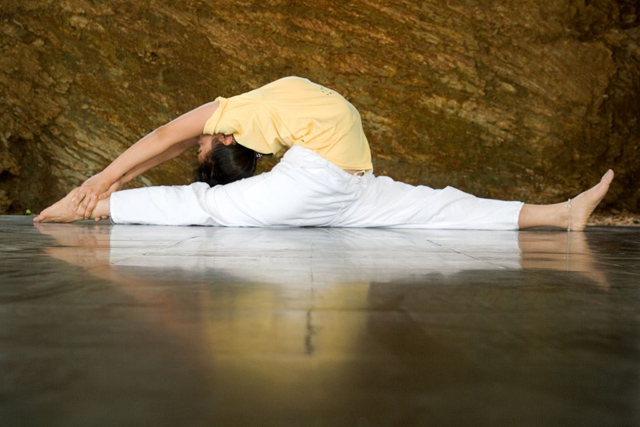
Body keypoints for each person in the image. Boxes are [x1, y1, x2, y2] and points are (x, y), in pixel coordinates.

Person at [33, 76, 614, 230]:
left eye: (204, 142)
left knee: (206, 206)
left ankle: (86, 209)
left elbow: (165, 140)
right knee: (440, 208)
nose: (198, 140)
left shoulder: (236, 112)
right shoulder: (240, 114)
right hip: (345, 186)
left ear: (226, 137)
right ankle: (559, 215)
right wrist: (104, 179)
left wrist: (100, 182)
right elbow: (169, 141)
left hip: (326, 183)